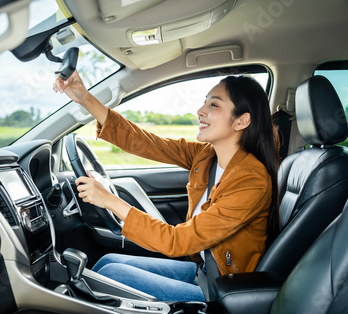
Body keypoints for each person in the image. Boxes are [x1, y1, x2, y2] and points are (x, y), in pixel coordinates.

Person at [53, 71, 280, 302]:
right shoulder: (206, 156)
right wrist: (84, 98)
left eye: (214, 104)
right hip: (202, 271)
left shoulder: (251, 181)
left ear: (242, 120)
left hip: (222, 289)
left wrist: (109, 200)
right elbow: (148, 143)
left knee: (110, 275)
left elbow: (177, 240)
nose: (201, 111)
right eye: (205, 101)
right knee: (108, 262)